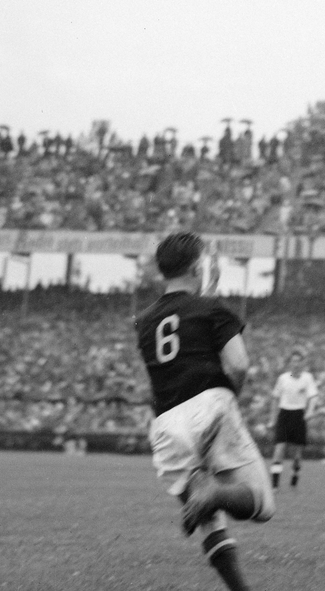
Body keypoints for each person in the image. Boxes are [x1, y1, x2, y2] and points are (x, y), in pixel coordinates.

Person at [135, 232, 274, 591]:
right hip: (210, 406)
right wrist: (232, 399)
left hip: (166, 421)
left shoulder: (144, 320)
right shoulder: (212, 308)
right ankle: (216, 492)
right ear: (198, 266)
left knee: (209, 521)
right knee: (260, 503)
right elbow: (239, 364)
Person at [270, 350, 319, 490]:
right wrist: (272, 419)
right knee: (279, 448)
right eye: (294, 361)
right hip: (284, 414)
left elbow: (313, 396)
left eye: (299, 361)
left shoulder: (307, 378)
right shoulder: (283, 378)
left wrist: (309, 411)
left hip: (299, 414)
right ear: (290, 363)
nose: (296, 364)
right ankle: (274, 485)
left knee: (297, 453)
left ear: (303, 363)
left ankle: (294, 478)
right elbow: (275, 398)